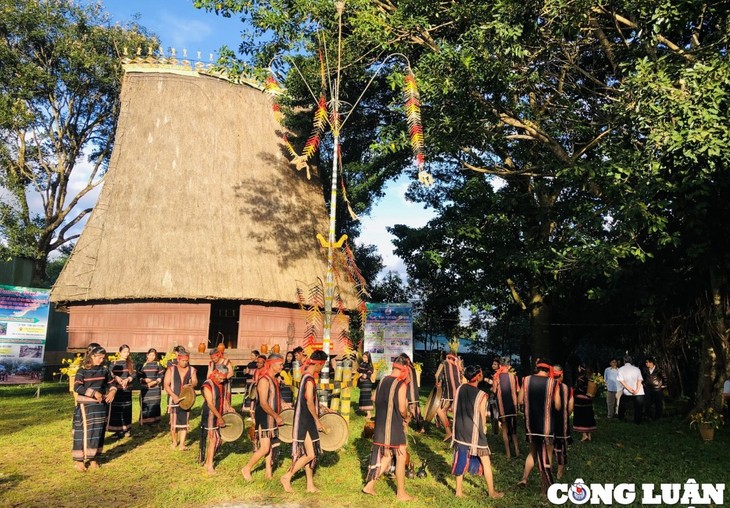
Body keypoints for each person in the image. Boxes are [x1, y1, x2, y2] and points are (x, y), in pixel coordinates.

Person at [362, 355, 414, 502]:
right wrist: (407, 416)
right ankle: (401, 493)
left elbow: (373, 398)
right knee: (401, 455)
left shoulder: (384, 379)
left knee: (387, 456)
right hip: (394, 426)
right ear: (405, 368)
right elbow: (402, 408)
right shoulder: (401, 384)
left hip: (381, 424)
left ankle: (369, 486)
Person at [451, 365, 504, 499]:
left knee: (461, 459)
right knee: (486, 461)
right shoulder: (481, 395)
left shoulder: (460, 389)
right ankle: (492, 492)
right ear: (478, 376)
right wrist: (484, 429)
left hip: (460, 431)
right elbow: (482, 417)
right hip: (474, 433)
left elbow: (454, 408)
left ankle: (458, 491)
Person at [281, 350, 328, 494]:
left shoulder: (306, 376)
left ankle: (310, 485)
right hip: (305, 420)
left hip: (307, 419)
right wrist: (317, 420)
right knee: (311, 454)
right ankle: (287, 476)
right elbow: (308, 401)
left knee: (311, 452)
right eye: (323, 365)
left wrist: (320, 406)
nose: (322, 369)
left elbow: (309, 399)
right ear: (319, 364)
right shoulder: (309, 379)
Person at [517, 360, 561, 494]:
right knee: (547, 455)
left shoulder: (526, 380)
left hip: (531, 424)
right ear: (549, 370)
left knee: (532, 452)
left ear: (537, 368)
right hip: (547, 425)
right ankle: (545, 485)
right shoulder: (553, 383)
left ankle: (524, 478)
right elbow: (558, 406)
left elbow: (519, 401)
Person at [72, 345, 117, 472]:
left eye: (103, 358)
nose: (101, 360)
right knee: (85, 432)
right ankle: (79, 460)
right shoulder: (82, 370)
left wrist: (112, 392)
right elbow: (77, 387)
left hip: (100, 405)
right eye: (99, 357)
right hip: (86, 405)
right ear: (92, 356)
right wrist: (93, 393)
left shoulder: (105, 370)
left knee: (98, 432)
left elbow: (112, 383)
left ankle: (94, 458)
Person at [242, 353, 285, 481]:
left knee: (269, 445)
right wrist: (276, 416)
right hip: (265, 416)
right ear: (272, 364)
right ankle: (246, 468)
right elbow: (263, 403)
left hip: (271, 417)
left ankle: (268, 473)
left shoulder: (275, 379)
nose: (282, 366)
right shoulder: (264, 380)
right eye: (280, 364)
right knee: (265, 447)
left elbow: (276, 398)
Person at [164, 349, 198, 450]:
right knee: (174, 423)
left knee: (184, 423)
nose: (185, 362)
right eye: (183, 360)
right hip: (174, 399)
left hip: (186, 400)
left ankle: (182, 444)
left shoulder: (192, 370)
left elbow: (195, 381)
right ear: (178, 359)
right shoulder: (171, 369)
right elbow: (166, 384)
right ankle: (175, 441)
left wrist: (191, 384)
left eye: (187, 360)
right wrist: (173, 396)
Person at [199, 364, 229, 475]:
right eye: (220, 378)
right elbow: (210, 404)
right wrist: (219, 417)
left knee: (217, 440)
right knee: (213, 440)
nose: (222, 380)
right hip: (210, 415)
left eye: (224, 379)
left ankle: (208, 462)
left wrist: (228, 407)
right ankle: (210, 466)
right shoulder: (207, 384)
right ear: (216, 373)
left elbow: (222, 398)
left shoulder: (222, 383)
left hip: (219, 413)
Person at [493, 356, 520, 457]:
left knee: (504, 429)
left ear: (500, 365)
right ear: (509, 366)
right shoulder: (514, 377)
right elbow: (517, 390)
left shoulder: (497, 376)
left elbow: (494, 390)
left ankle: (508, 454)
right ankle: (517, 452)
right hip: (512, 407)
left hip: (502, 406)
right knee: (513, 430)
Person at [108, 344, 135, 438]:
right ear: (120, 352)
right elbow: (110, 373)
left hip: (126, 389)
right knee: (117, 410)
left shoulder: (130, 363)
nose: (126, 354)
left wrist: (127, 379)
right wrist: (116, 378)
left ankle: (126, 429)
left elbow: (134, 374)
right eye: (124, 352)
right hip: (116, 390)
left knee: (126, 409)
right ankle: (117, 430)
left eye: (128, 352)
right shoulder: (114, 362)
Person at [434, 352, 463, 441]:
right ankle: (458, 434)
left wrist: (438, 383)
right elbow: (461, 379)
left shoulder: (443, 363)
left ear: (447, 357)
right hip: (459, 392)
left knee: (438, 409)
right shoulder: (458, 366)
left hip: (449, 393)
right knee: (454, 413)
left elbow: (436, 375)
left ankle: (448, 431)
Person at [551, 365, 573, 480]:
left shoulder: (547, 387)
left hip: (548, 422)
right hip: (562, 423)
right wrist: (565, 416)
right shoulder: (568, 389)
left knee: (548, 445)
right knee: (561, 446)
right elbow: (570, 408)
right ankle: (559, 471)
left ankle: (547, 467)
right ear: (562, 375)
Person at [138, 348, 165, 425]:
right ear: (147, 355)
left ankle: (155, 422)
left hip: (155, 388)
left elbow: (161, 375)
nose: (152, 357)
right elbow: (138, 376)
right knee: (145, 404)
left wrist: (155, 382)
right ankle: (144, 422)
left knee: (155, 404)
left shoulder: (158, 365)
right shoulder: (142, 365)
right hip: (145, 388)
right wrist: (144, 379)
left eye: (153, 355)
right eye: (150, 355)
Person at [617, 355, 644, 424]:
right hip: (638, 392)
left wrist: (629, 389)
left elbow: (621, 381)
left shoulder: (620, 369)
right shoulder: (636, 369)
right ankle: (638, 421)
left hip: (627, 392)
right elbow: (639, 380)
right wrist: (637, 390)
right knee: (638, 407)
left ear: (624, 361)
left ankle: (621, 418)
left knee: (622, 404)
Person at [573, 363, 596, 442]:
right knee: (588, 416)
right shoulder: (592, 379)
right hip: (588, 400)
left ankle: (584, 435)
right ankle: (589, 435)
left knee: (581, 416)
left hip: (580, 400)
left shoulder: (581, 379)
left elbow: (579, 390)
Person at [643, 356, 666, 420]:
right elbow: (643, 377)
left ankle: (657, 417)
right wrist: (643, 383)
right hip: (648, 389)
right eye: (646, 362)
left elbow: (664, 377)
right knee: (647, 403)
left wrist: (664, 385)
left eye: (647, 362)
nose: (646, 364)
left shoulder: (659, 370)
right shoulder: (645, 370)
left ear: (652, 362)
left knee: (658, 403)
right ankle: (649, 416)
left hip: (657, 389)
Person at [357, 351, 375, 419]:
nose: (364, 358)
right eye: (363, 357)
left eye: (365, 357)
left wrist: (363, 375)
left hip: (367, 383)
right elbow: (358, 369)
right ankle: (361, 409)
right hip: (362, 383)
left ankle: (369, 414)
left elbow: (369, 374)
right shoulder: (362, 363)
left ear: (368, 358)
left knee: (366, 398)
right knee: (362, 396)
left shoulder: (369, 365)